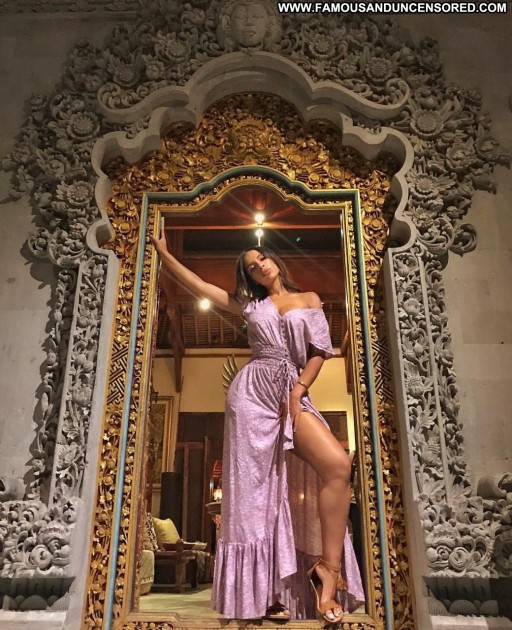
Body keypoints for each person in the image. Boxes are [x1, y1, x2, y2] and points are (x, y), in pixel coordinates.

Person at [150, 233, 364, 622]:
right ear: (249, 277)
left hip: (291, 391)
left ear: (275, 260)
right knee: (256, 496)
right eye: (251, 266)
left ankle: (328, 571)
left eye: (262, 257)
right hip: (251, 396)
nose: (260, 265)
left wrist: (298, 391)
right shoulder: (250, 304)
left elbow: (320, 352)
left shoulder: (310, 299)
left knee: (337, 466)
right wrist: (165, 254)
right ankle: (264, 594)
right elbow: (199, 285)